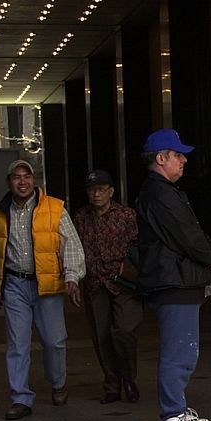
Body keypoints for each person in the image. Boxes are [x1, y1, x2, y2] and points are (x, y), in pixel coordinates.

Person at [135, 129, 211, 421]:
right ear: (161, 158)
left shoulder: (161, 191)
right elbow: (187, 235)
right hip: (173, 281)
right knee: (179, 352)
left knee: (182, 349)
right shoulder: (161, 194)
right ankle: (173, 419)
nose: (184, 160)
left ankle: (177, 410)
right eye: (178, 154)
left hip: (175, 279)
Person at [0, 160, 84, 420]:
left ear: (34, 180)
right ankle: (20, 397)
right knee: (17, 344)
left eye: (27, 176)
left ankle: (58, 382)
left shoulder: (54, 208)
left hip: (47, 285)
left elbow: (72, 245)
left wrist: (72, 277)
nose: (22, 182)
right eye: (16, 177)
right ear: (9, 182)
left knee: (54, 341)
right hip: (15, 285)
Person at [74, 169, 144, 404]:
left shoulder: (126, 215)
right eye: (92, 190)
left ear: (111, 192)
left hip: (124, 283)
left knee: (123, 331)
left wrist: (131, 266)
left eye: (101, 190)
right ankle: (112, 384)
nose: (96, 194)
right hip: (96, 284)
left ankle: (129, 378)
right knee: (102, 336)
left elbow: (140, 245)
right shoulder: (81, 217)